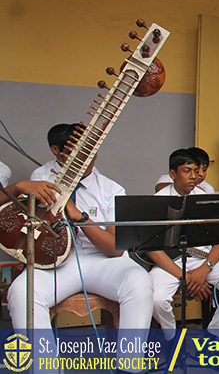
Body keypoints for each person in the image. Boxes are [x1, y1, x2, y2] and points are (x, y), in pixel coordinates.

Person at [8, 123, 153, 371]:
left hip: (102, 261)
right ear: (59, 153)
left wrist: (79, 217)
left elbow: (114, 249)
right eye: (77, 152)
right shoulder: (40, 177)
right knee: (21, 293)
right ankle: (46, 368)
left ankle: (130, 365)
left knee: (139, 283)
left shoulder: (112, 189)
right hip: (56, 264)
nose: (87, 158)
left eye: (92, 151)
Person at [148, 149, 219, 341]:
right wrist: (185, 277)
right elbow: (152, 249)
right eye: (187, 171)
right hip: (170, 264)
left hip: (204, 261)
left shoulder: (206, 198)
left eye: (196, 171)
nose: (194, 176)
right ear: (172, 174)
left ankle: (216, 335)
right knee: (156, 298)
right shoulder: (157, 201)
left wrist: (205, 269)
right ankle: (171, 337)